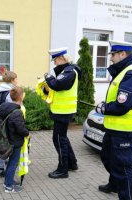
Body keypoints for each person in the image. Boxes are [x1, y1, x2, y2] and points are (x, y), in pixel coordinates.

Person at [95, 41, 132, 200]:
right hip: (114, 128)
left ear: (123, 54)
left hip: (125, 131)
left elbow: (123, 105)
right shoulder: (123, 71)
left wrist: (105, 108)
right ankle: (114, 184)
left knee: (123, 168)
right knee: (107, 157)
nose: (110, 58)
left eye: (113, 54)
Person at [44, 47, 81, 179]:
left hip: (64, 112)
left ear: (61, 58)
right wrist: (46, 89)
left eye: (55, 60)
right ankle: (71, 163)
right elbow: (58, 89)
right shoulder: (66, 71)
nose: (54, 63)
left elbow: (58, 85)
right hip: (61, 111)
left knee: (59, 139)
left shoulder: (70, 72)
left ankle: (62, 169)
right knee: (62, 138)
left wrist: (48, 78)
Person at [0, 87, 29, 193]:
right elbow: (20, 128)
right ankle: (9, 186)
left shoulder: (7, 108)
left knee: (10, 162)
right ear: (21, 96)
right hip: (15, 142)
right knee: (13, 163)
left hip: (8, 140)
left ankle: (7, 181)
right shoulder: (17, 112)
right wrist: (27, 133)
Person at [0, 70, 18, 178]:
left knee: (2, 142)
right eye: (16, 78)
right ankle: (0, 169)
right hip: (6, 122)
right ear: (12, 80)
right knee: (5, 144)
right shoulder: (10, 92)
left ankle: (2, 164)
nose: (17, 80)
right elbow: (11, 108)